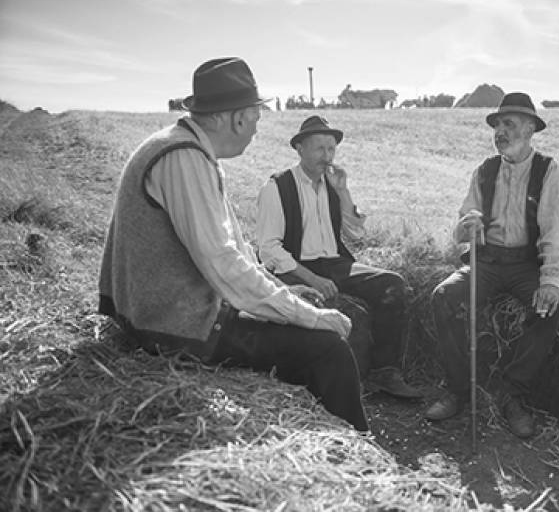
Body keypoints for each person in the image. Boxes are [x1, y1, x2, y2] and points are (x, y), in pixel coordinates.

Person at [98, 57, 368, 432]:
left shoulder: (185, 149)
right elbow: (223, 263)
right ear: (239, 119)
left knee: (304, 325)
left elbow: (238, 254)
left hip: (167, 311)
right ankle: (354, 447)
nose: (257, 127)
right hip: (174, 323)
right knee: (329, 349)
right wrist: (312, 318)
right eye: (256, 116)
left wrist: (285, 294)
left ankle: (318, 432)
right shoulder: (183, 158)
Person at [424, 92, 559, 438]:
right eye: (497, 126)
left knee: (554, 307)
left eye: (509, 124)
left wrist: (551, 281)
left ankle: (512, 394)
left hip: (525, 265)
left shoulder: (548, 171)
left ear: (530, 129)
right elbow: (463, 225)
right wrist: (466, 227)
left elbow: (555, 229)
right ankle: (459, 390)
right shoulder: (485, 171)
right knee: (443, 297)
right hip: (487, 262)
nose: (500, 132)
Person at [256, 115, 422, 400]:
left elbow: (355, 234)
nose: (327, 156)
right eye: (320, 148)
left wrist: (343, 191)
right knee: (308, 307)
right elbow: (268, 249)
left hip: (335, 264)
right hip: (296, 267)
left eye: (331, 149)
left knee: (392, 284)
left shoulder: (333, 186)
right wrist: (311, 279)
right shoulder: (277, 187)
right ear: (300, 149)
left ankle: (384, 373)